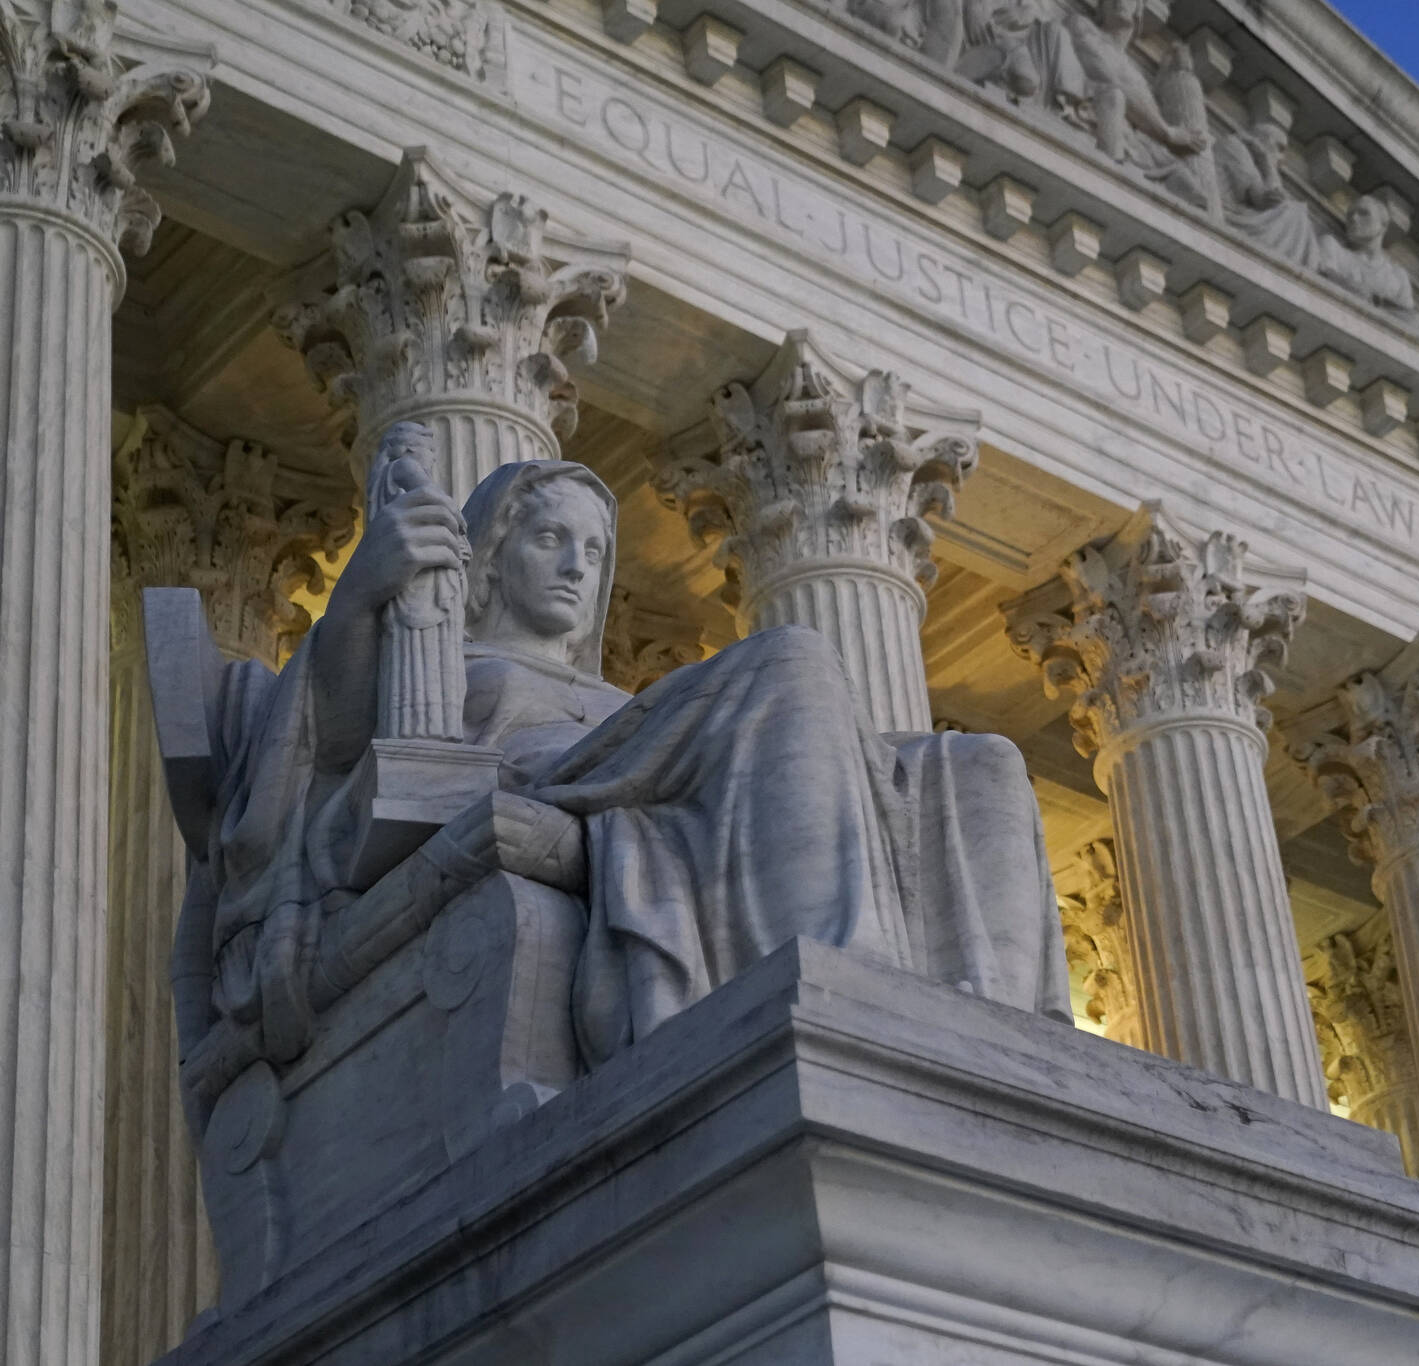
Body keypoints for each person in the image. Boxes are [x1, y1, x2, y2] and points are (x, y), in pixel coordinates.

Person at [192, 426, 1068, 1072]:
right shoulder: (438, 655)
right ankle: (856, 988)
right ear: (490, 561)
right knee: (794, 659)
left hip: (645, 783)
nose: (578, 565)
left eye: (594, 549)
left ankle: (998, 1044)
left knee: (980, 765)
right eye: (549, 539)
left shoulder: (628, 702)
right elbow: (338, 752)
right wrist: (360, 597)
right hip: (548, 783)